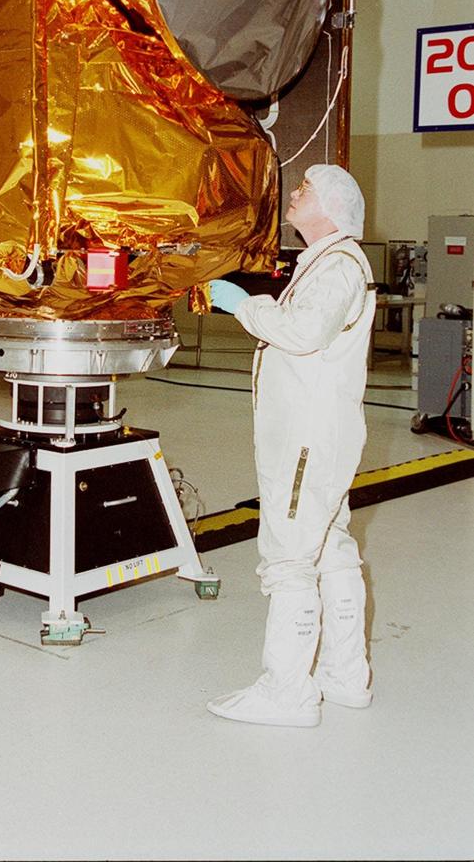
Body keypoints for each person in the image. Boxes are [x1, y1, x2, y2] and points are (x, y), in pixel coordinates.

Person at [206, 164, 376, 728]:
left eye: (306, 189)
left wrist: (244, 305)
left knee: (289, 559)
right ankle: (345, 675)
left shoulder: (339, 267)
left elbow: (301, 334)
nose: (294, 194)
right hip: (319, 432)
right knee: (331, 548)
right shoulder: (329, 262)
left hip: (306, 438)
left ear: (332, 209)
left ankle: (287, 692)